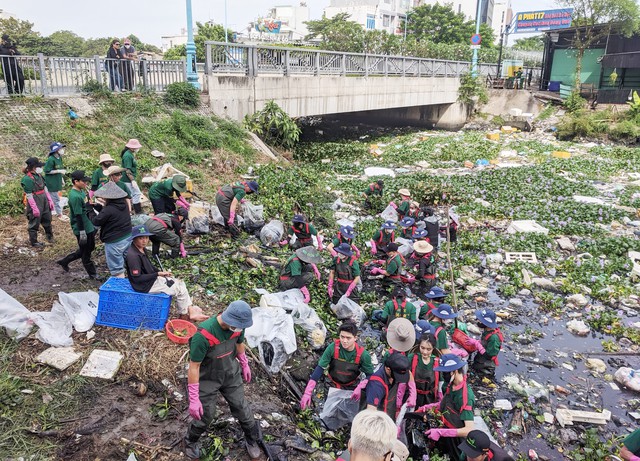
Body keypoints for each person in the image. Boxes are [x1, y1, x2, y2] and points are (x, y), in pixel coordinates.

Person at [184, 301, 261, 460]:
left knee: (241, 407)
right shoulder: (203, 335)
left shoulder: (238, 326)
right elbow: (194, 367)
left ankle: (251, 439)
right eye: (238, 327)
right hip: (207, 378)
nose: (240, 330)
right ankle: (190, 441)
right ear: (228, 320)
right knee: (206, 415)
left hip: (230, 373)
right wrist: (193, 398)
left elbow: (239, 344)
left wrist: (244, 363)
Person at [125, 224, 208, 321]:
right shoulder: (133, 256)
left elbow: (149, 266)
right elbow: (137, 278)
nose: (144, 241)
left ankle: (189, 310)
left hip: (151, 280)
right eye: (141, 238)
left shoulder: (141, 249)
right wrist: (157, 274)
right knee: (179, 290)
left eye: (146, 238)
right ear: (134, 239)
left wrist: (160, 272)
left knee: (180, 283)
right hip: (145, 286)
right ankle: (184, 316)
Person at [300, 321, 373, 408]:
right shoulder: (332, 348)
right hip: (332, 383)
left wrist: (361, 387)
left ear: (355, 338)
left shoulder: (363, 355)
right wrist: (307, 392)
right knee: (329, 409)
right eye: (342, 337)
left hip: (351, 386)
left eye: (348, 338)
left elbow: (370, 376)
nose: (344, 341)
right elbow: (320, 368)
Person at [420, 354, 476, 461]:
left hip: (457, 439)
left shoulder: (465, 397)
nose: (442, 375)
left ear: (453, 372)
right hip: (445, 427)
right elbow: (444, 403)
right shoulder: (450, 385)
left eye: (444, 373)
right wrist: (428, 407)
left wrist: (441, 432)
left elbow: (468, 430)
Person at [56, 171, 98, 278]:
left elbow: (84, 207)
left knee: (89, 247)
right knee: (86, 253)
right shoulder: (74, 196)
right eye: (83, 181)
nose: (85, 183)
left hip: (88, 225)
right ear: (76, 182)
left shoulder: (81, 192)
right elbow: (78, 216)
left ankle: (65, 261)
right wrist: (82, 232)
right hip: (82, 227)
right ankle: (93, 274)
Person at [88, 182, 132, 278]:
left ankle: (120, 288)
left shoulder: (108, 210)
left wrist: (89, 211)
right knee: (129, 261)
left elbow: (96, 221)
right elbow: (110, 214)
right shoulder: (123, 204)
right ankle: (134, 281)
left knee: (117, 269)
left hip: (115, 241)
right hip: (127, 237)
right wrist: (97, 206)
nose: (103, 199)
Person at [365, 352, 410, 420]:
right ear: (388, 369)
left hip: (390, 414)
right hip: (378, 419)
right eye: (397, 375)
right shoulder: (376, 385)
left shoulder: (394, 373)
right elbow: (371, 410)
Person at [21, 157, 54, 247]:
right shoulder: (27, 179)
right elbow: (29, 195)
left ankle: (50, 237)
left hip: (44, 199)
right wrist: (34, 208)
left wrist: (50, 200)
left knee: (47, 218)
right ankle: (34, 242)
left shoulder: (39, 175)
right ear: (34, 167)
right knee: (34, 222)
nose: (41, 168)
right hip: (35, 200)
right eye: (39, 166)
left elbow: (45, 187)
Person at [408, 333, 441, 407]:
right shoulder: (412, 358)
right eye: (422, 348)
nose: (425, 352)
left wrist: (440, 398)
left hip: (429, 398)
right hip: (412, 396)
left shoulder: (437, 362)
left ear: (433, 348)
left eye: (428, 349)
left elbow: (440, 383)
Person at [470, 309, 503, 377]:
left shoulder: (494, 338)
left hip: (485, 368)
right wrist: (478, 342)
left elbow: (489, 355)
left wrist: (479, 346)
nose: (479, 321)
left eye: (481, 320)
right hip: (479, 361)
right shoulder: (487, 330)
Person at [43, 142, 69, 222]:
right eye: (60, 149)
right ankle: (59, 214)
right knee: (56, 199)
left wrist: (61, 179)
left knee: (53, 198)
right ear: (56, 150)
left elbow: (60, 170)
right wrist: (58, 171)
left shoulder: (59, 158)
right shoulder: (51, 159)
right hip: (51, 182)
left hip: (57, 180)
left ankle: (49, 211)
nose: (62, 150)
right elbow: (47, 171)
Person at [120, 139, 143, 213]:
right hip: (127, 179)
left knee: (133, 194)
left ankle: (135, 211)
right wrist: (132, 180)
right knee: (136, 194)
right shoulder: (127, 156)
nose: (137, 149)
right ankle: (137, 212)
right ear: (132, 148)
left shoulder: (130, 154)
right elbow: (127, 169)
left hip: (129, 179)